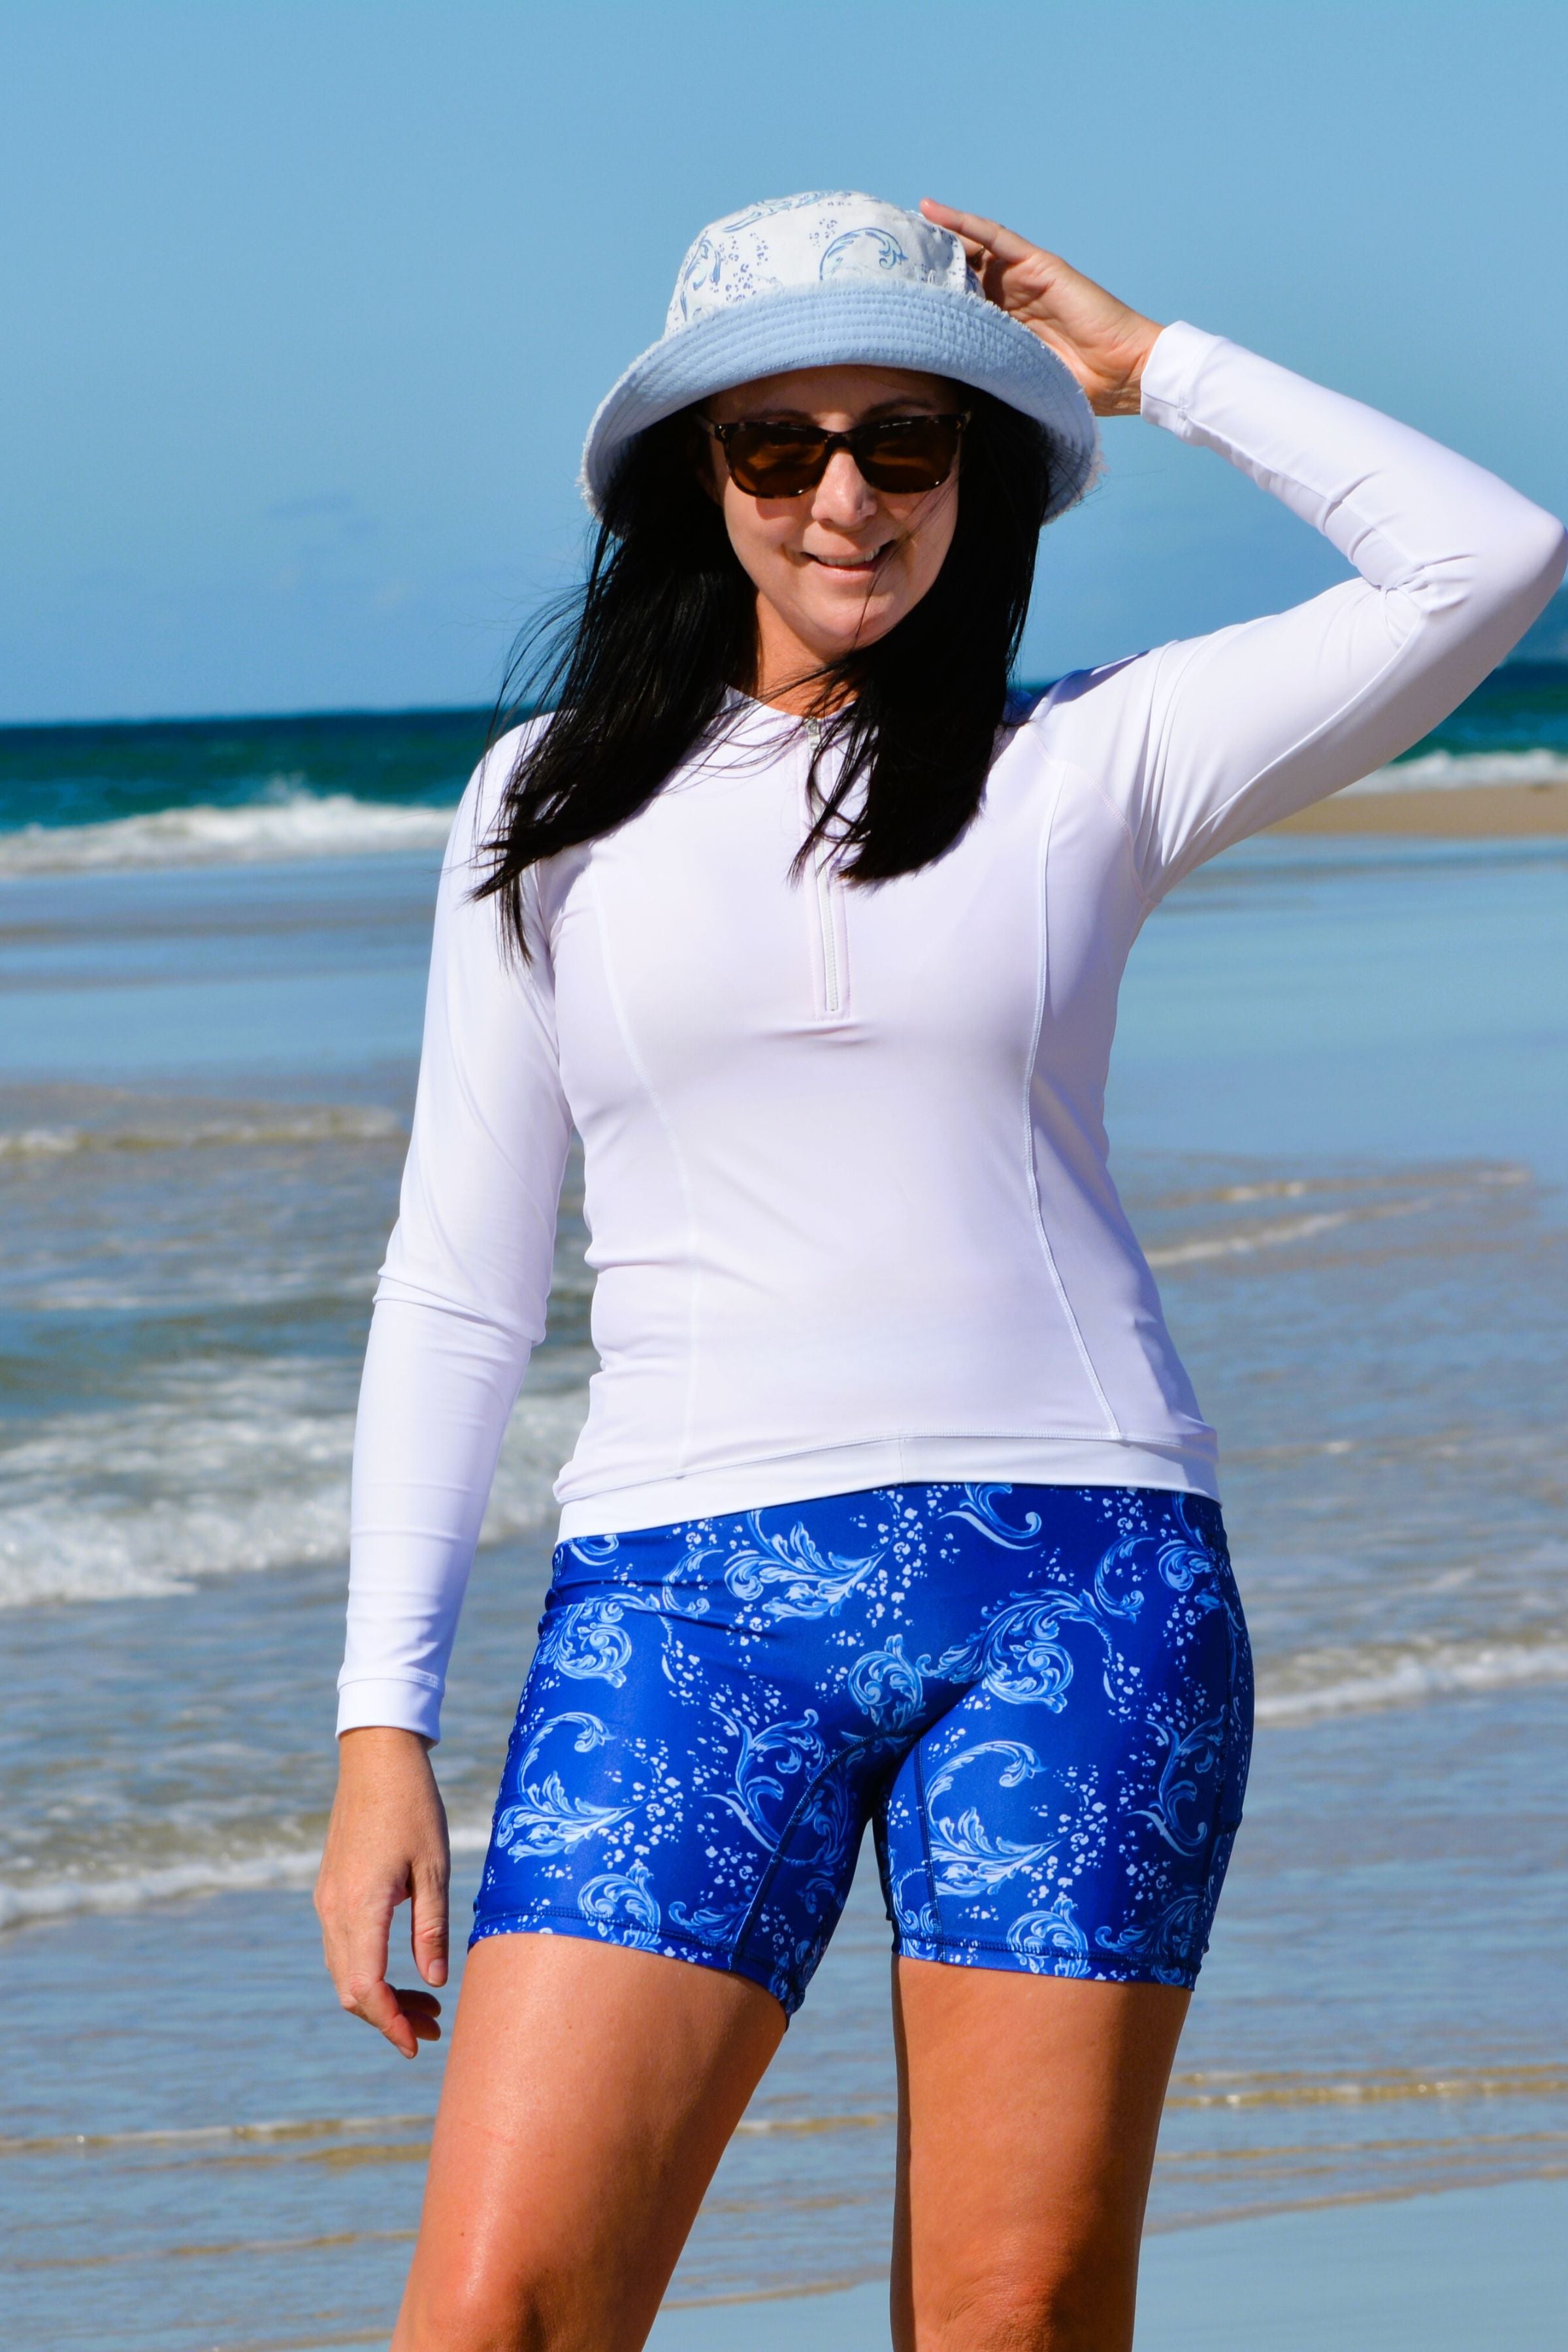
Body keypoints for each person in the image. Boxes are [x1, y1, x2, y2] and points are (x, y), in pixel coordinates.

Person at [314, 191, 1564, 2351]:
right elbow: (459, 1289)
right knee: (500, 2314)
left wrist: (1151, 365)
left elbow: (1491, 558)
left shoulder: (1090, 760)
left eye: (905, 439)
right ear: (694, 477)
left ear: (975, 469)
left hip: (1082, 1591)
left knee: (1018, 2315)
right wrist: (378, 1731)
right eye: (777, 444)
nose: (845, 496)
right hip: (685, 1608)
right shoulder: (546, 809)